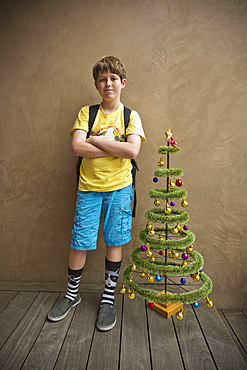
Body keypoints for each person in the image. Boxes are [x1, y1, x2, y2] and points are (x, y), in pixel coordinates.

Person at [48, 56, 146, 331]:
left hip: (120, 190)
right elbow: (77, 148)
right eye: (102, 79)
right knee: (80, 241)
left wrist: (97, 141)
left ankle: (107, 300)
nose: (108, 83)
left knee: (114, 241)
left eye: (113, 78)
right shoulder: (87, 113)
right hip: (88, 189)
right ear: (96, 85)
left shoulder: (130, 116)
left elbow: (132, 151)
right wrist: (114, 146)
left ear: (122, 83)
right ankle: (71, 295)